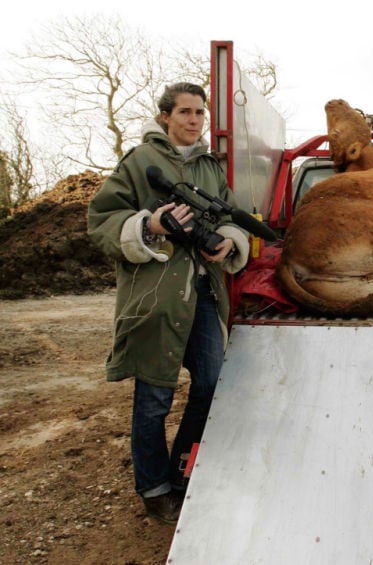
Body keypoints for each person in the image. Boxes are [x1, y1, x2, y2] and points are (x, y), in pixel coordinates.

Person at [87, 82, 249, 524]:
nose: (194, 120)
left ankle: (182, 472)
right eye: (185, 112)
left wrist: (228, 243)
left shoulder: (210, 167)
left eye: (200, 113)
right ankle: (155, 490)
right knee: (155, 395)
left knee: (210, 385)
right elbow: (101, 220)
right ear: (165, 117)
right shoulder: (140, 162)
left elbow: (231, 216)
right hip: (156, 297)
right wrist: (151, 223)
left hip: (203, 294)